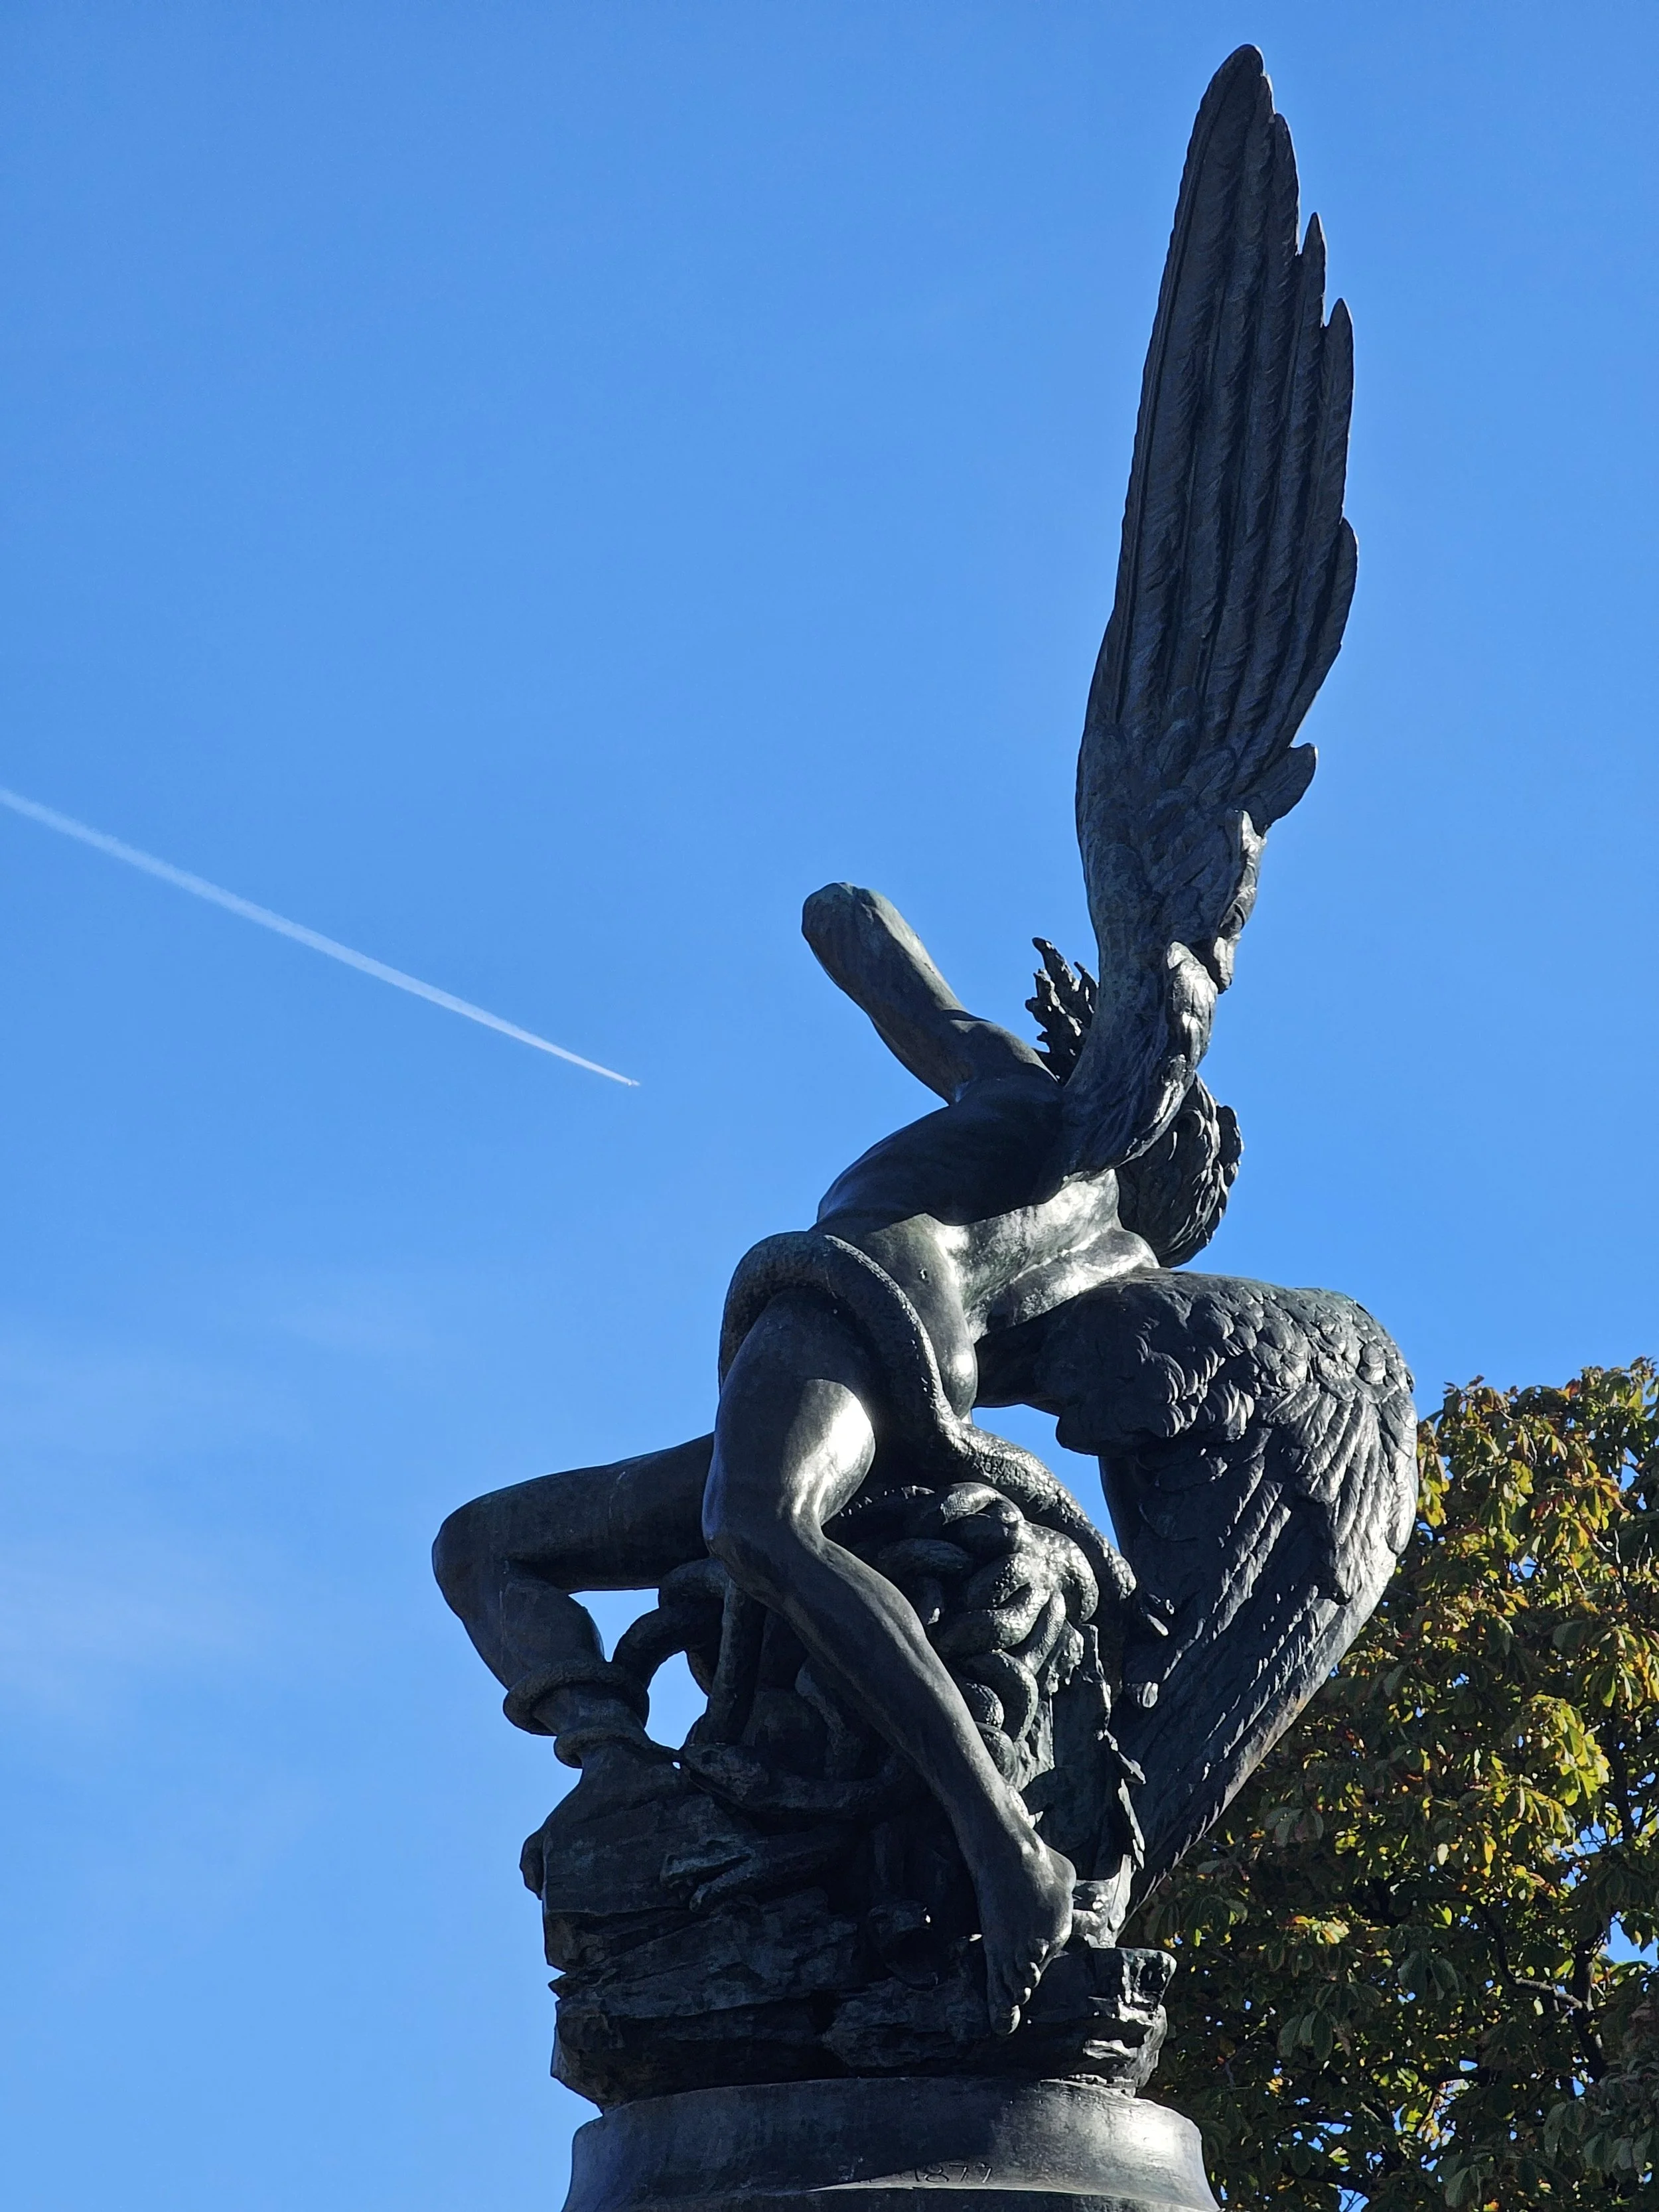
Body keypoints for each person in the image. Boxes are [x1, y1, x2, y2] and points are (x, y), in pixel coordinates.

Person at [435, 883, 1159, 2033]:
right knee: (485, 1547)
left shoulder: (1031, 1107)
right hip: (846, 1378)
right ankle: (615, 1762)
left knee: (759, 1525)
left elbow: (873, 952)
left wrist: (845, 919)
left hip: (845, 1311)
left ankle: (1001, 1841)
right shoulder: (1105, 1248)